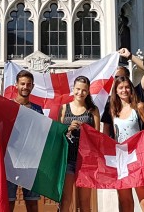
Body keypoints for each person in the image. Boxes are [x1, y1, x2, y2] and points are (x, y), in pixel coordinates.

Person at [110, 76, 144, 212]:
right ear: (116, 91)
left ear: (131, 89)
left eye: (127, 87)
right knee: (125, 202)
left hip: (137, 158)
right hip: (121, 160)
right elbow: (114, 135)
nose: (124, 90)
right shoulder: (114, 110)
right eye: (120, 88)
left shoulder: (139, 107)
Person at [61, 76, 100, 212]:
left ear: (88, 91)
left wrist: (87, 131)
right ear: (73, 89)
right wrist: (68, 128)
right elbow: (58, 134)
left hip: (86, 161)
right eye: (78, 89)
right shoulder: (64, 108)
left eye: (84, 90)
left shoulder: (93, 110)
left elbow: (97, 137)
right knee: (65, 199)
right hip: (67, 159)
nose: (80, 93)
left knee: (85, 202)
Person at [7, 70, 44, 212]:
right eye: (22, 84)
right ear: (16, 85)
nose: (25, 87)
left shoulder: (37, 110)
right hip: (10, 162)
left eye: (28, 84)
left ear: (32, 86)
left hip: (31, 163)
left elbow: (43, 134)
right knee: (9, 202)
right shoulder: (7, 106)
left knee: (32, 204)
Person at [102, 48, 144, 138]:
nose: (119, 80)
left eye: (122, 77)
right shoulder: (109, 103)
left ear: (128, 77)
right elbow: (106, 129)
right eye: (116, 77)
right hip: (119, 148)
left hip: (137, 147)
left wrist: (130, 56)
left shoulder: (137, 93)